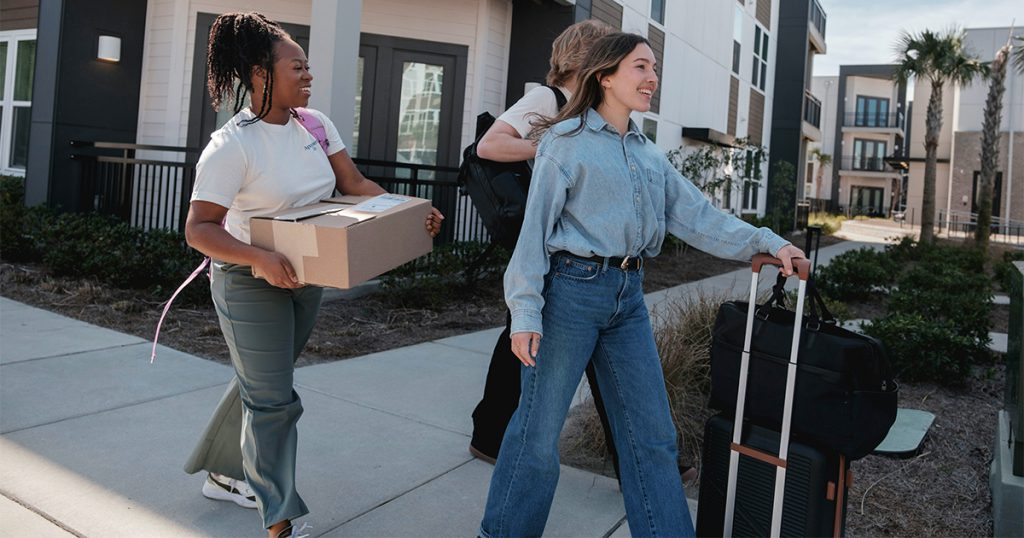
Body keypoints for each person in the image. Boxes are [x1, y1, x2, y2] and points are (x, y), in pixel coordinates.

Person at [478, 32, 805, 538]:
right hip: (570, 293)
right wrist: (524, 312)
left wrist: (770, 242)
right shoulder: (564, 142)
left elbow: (700, 218)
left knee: (651, 437)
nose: (652, 78)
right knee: (536, 437)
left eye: (654, 69)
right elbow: (533, 237)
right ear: (605, 75)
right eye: (640, 67)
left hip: (627, 298)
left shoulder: (648, 155)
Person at [180, 12, 442, 538]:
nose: (308, 76)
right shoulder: (233, 146)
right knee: (274, 399)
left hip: (307, 273)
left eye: (308, 68)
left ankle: (220, 471)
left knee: (263, 382)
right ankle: (278, 516)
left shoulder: (315, 125)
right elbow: (199, 229)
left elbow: (354, 184)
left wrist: (411, 210)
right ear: (260, 72)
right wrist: (260, 259)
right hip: (247, 278)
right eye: (297, 67)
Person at [469, 19, 626, 474]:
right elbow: (490, 145)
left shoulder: (592, 111)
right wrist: (546, 148)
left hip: (582, 246)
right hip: (554, 245)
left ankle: (489, 433)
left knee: (518, 336)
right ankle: (634, 456)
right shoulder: (547, 100)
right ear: (588, 58)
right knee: (571, 344)